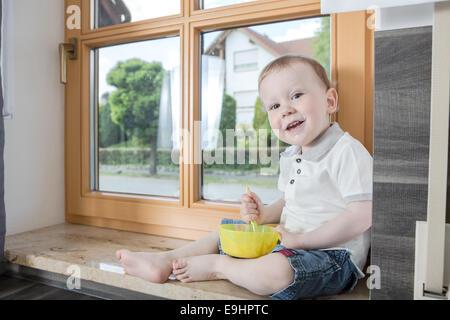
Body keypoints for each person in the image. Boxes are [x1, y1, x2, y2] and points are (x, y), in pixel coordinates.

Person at [116, 54, 373, 300]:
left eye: (296, 96)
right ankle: (165, 260)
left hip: (333, 258)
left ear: (329, 101)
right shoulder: (292, 155)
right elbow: (288, 202)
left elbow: (361, 216)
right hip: (290, 245)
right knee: (228, 231)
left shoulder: (346, 151)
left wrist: (301, 241)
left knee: (277, 271)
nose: (285, 110)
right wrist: (264, 215)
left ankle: (219, 266)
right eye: (274, 106)